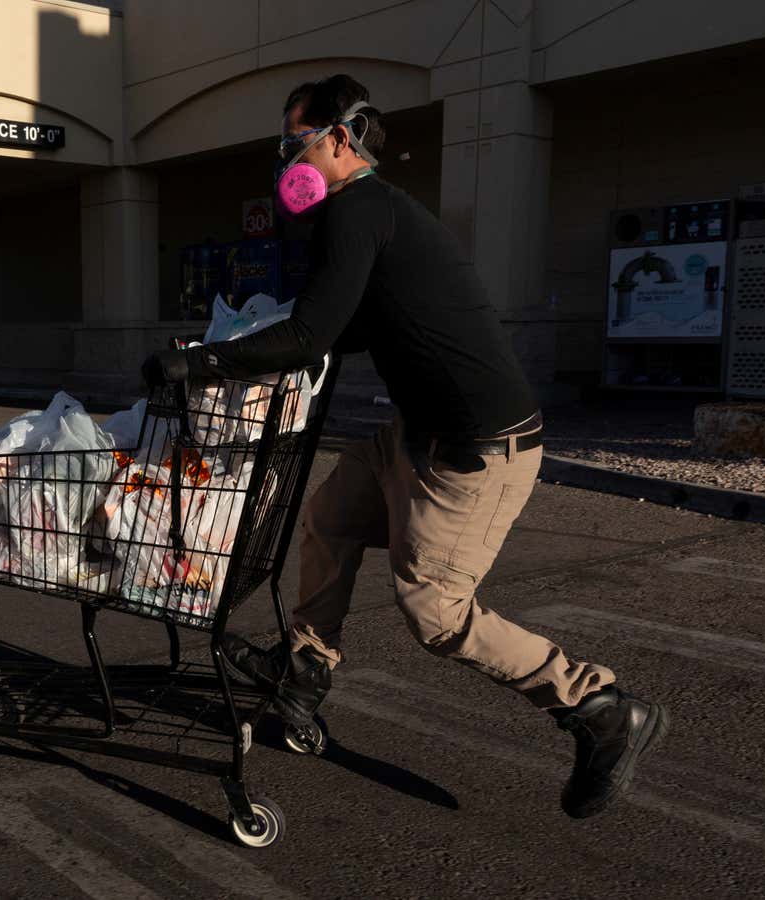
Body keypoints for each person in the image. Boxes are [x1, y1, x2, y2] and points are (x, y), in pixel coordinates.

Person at [142, 75, 668, 819]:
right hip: (414, 433)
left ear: (337, 138)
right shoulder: (370, 214)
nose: (284, 159)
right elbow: (352, 324)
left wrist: (199, 363)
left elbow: (310, 336)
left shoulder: (360, 210)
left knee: (438, 615)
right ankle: (302, 670)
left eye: (293, 143)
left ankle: (600, 707)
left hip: (477, 449)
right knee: (329, 516)